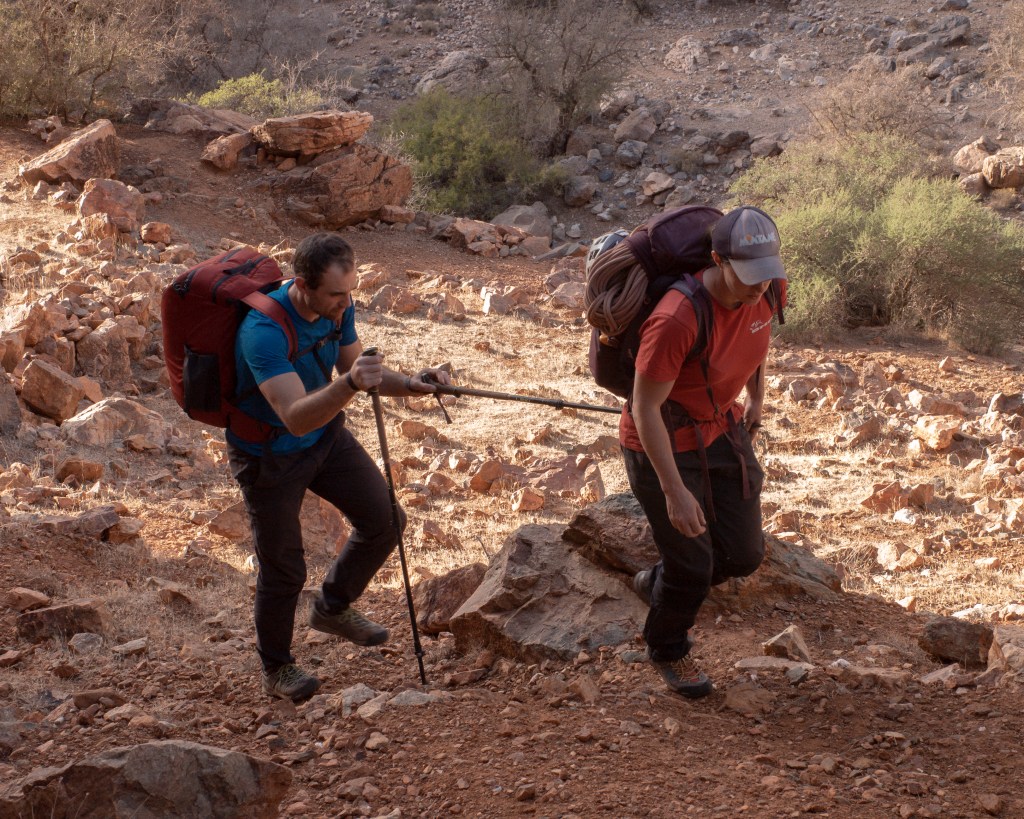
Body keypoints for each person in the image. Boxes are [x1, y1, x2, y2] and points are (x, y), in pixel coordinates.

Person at [227, 231, 450, 702]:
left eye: (350, 292)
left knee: (385, 520)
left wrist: (413, 384)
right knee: (284, 568)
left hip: (324, 439)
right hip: (269, 455)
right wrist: (350, 384)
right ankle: (278, 669)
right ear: (303, 285)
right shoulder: (262, 331)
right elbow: (293, 416)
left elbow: (359, 370)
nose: (346, 303)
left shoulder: (338, 309)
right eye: (336, 294)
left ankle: (332, 608)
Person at [620, 205, 787, 699]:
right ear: (718, 259)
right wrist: (674, 491)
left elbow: (759, 338)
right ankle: (666, 645)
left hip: (722, 428)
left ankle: (659, 582)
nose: (760, 287)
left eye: (766, 273)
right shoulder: (677, 317)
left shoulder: (768, 286)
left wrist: (757, 397)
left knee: (743, 554)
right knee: (693, 564)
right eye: (748, 275)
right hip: (661, 444)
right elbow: (644, 407)